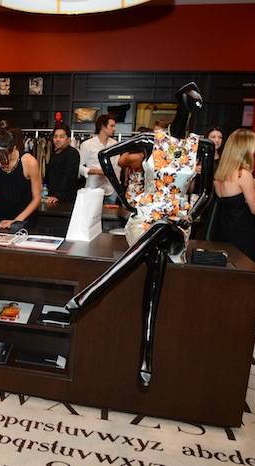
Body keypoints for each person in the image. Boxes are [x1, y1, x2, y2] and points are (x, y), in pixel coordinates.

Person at [65, 82, 215, 388]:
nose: (196, 105)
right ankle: (146, 352)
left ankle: (95, 290)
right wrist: (124, 197)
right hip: (143, 220)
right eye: (192, 100)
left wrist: (189, 214)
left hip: (177, 224)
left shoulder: (203, 146)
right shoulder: (150, 140)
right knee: (156, 251)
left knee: (163, 230)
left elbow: (207, 193)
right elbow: (105, 157)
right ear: (180, 102)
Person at [0, 123, 42, 229]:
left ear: (13, 149)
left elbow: (37, 198)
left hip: (24, 218)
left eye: (3, 159)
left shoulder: (29, 162)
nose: (0, 164)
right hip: (0, 218)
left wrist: (16, 221)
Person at [210, 129, 255, 262]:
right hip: (241, 234)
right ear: (245, 149)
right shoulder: (243, 174)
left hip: (221, 231)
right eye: (254, 147)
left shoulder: (219, 174)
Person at [78, 114, 120, 204]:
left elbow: (117, 167)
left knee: (110, 213)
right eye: (111, 126)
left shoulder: (115, 144)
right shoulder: (87, 145)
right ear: (102, 126)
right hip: (92, 189)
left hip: (111, 190)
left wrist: (117, 189)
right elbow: (79, 168)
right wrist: (95, 171)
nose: (114, 129)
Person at [45, 123, 80, 205]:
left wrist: (58, 196)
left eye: (61, 137)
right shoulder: (54, 153)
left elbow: (68, 177)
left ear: (68, 139)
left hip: (65, 199)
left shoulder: (72, 153)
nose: (57, 139)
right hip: (52, 197)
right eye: (55, 136)